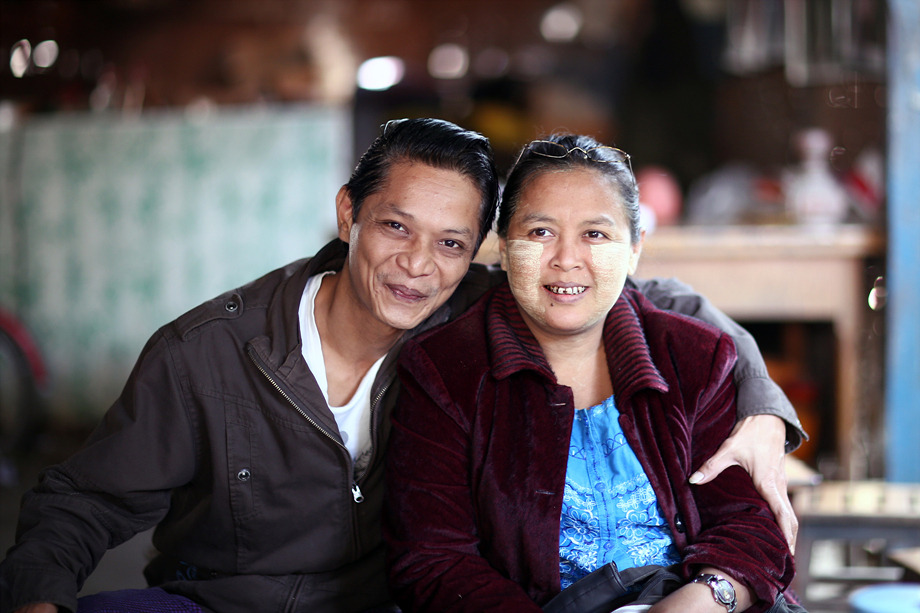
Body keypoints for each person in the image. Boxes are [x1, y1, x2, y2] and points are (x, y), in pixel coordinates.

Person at [1, 120, 801, 613]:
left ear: (478, 251)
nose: (418, 265)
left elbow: (652, 304)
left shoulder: (485, 306)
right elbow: (79, 504)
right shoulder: (208, 352)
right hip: (225, 604)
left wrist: (763, 410)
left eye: (451, 242)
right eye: (395, 227)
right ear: (348, 213)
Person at [384, 134, 802, 612]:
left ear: (634, 249)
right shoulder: (445, 369)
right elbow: (433, 559)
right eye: (540, 232)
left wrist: (699, 600)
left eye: (595, 234)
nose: (566, 259)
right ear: (504, 246)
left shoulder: (695, 356)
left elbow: (749, 524)